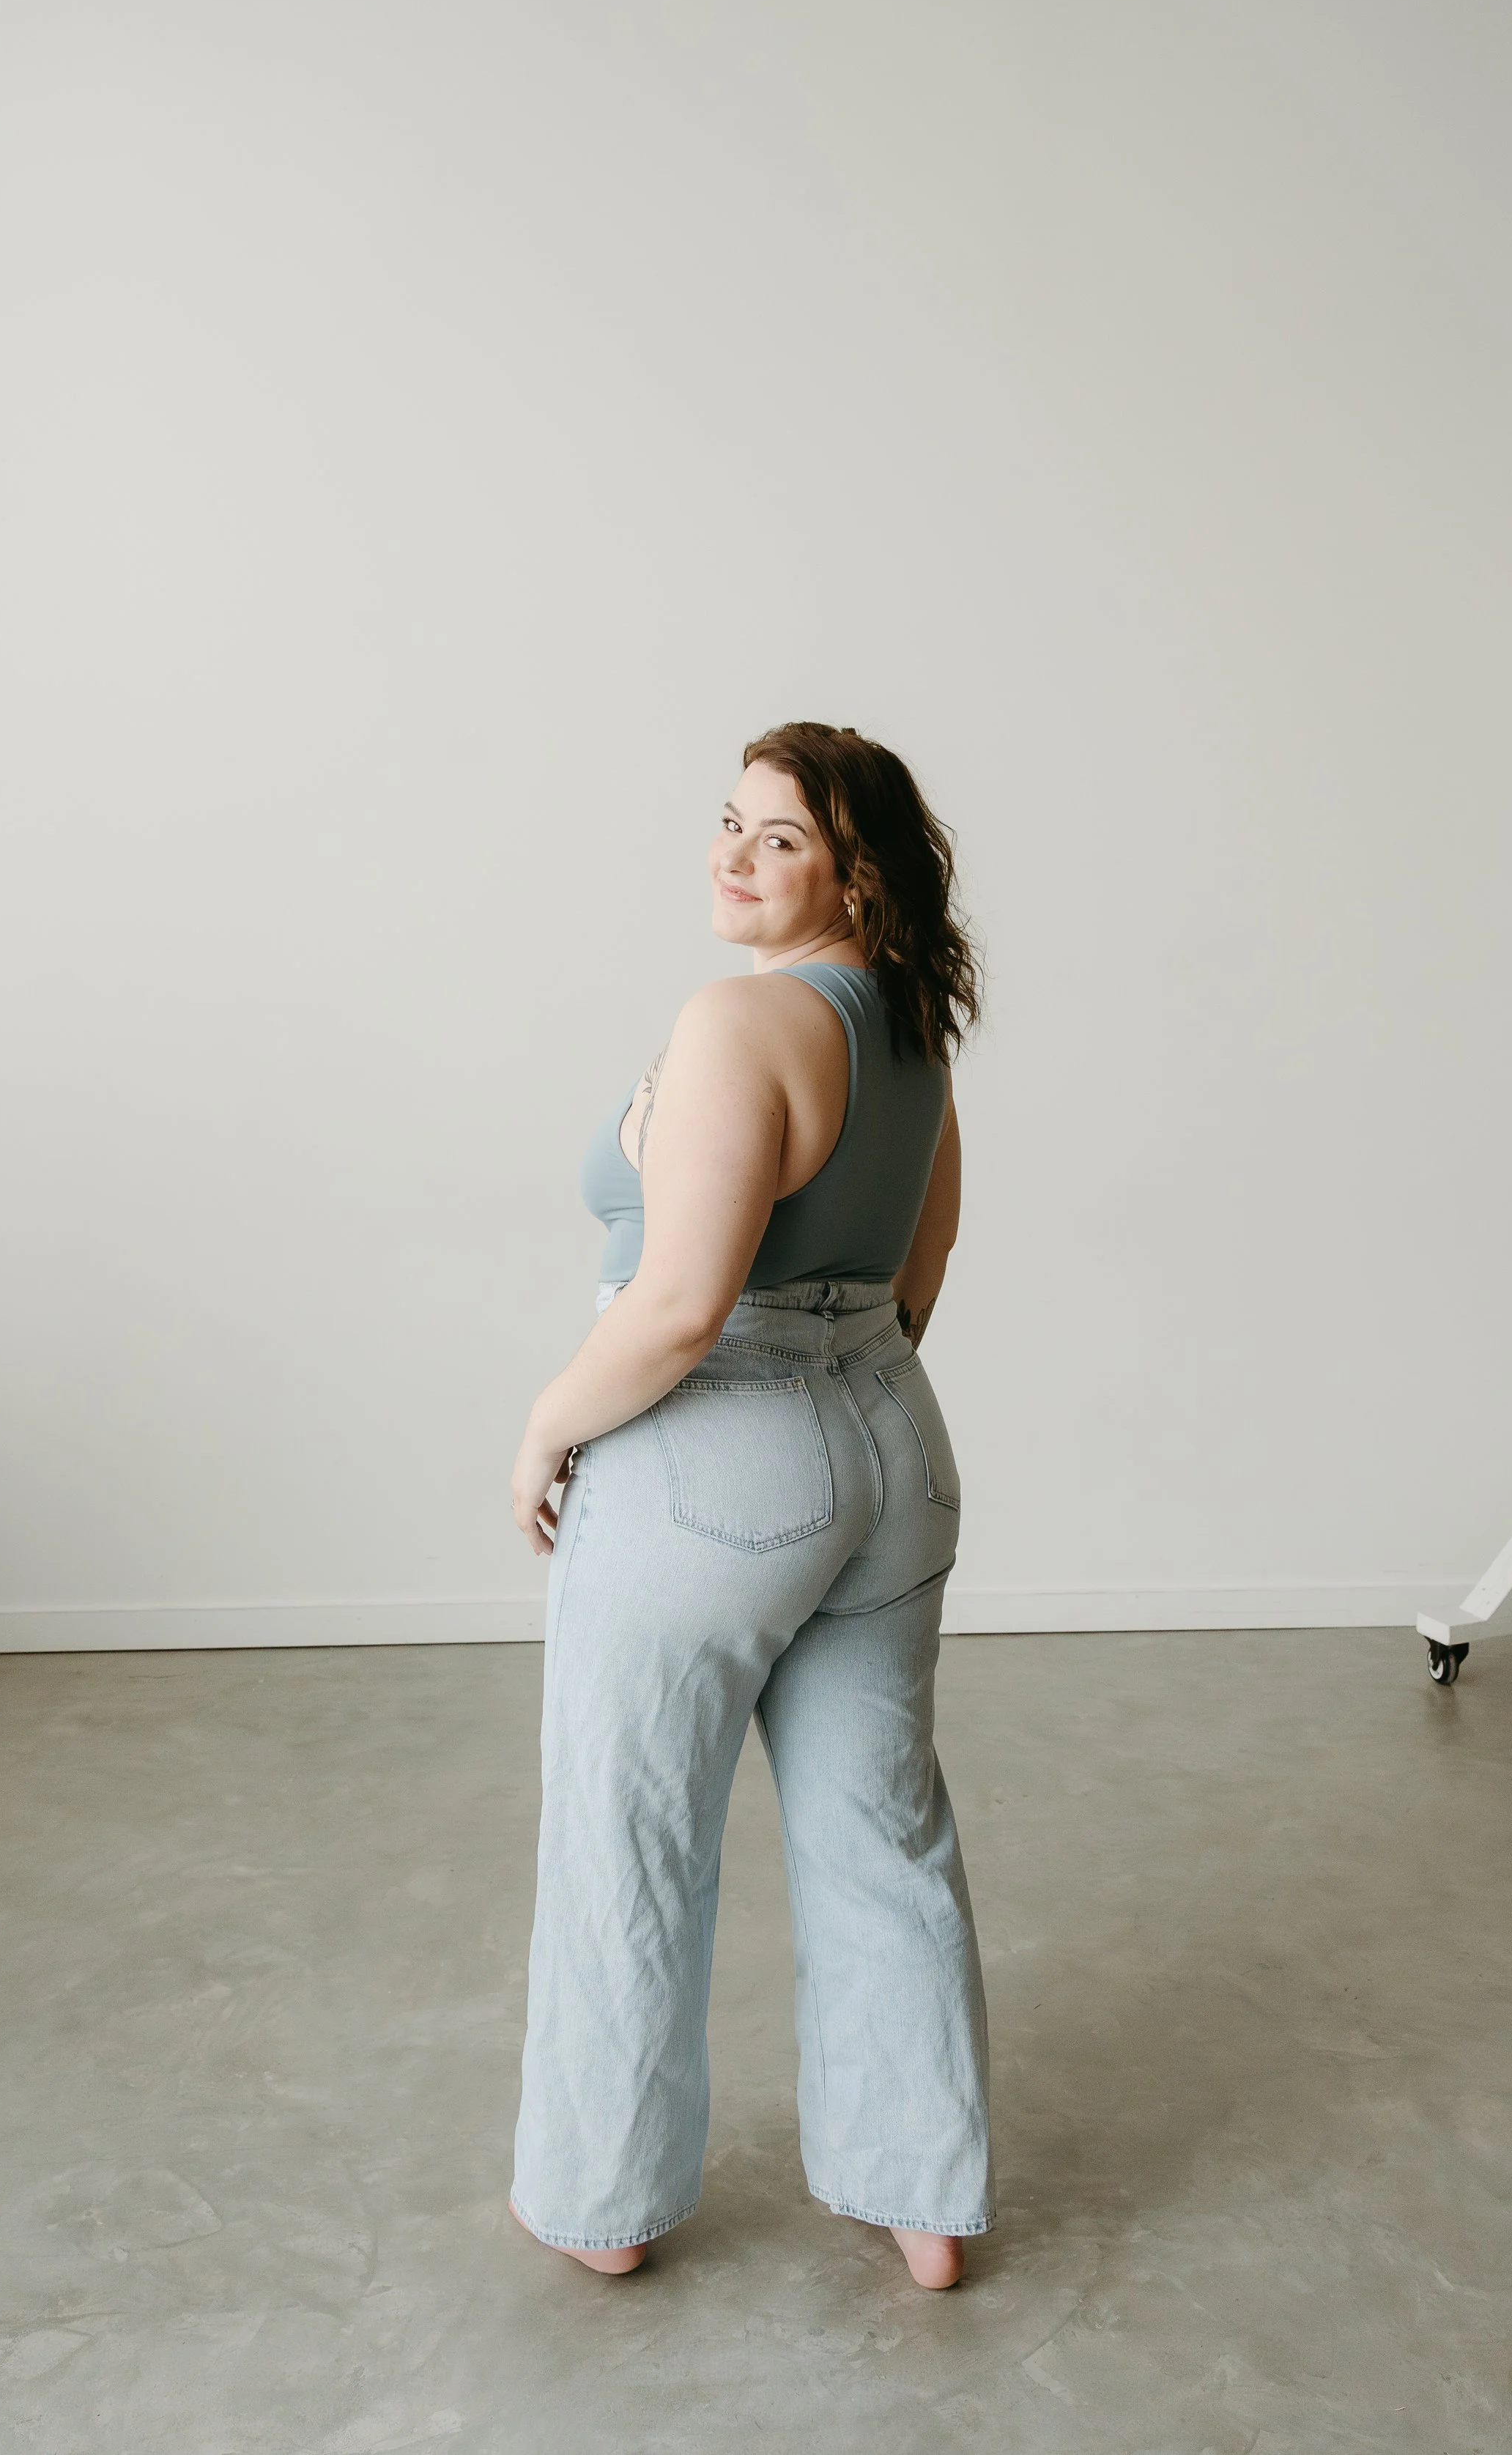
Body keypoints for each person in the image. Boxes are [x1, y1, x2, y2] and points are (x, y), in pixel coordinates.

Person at [507, 721, 993, 2292]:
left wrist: (544, 1428)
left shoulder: (740, 1022)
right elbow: (919, 1268)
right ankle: (921, 2210)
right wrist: (843, 1400)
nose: (730, 855)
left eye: (777, 837)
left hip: (710, 1456)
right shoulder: (908, 1026)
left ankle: (605, 2209)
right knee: (880, 1825)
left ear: (855, 869)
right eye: (728, 822)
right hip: (892, 1450)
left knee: (629, 1831)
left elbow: (674, 1309)